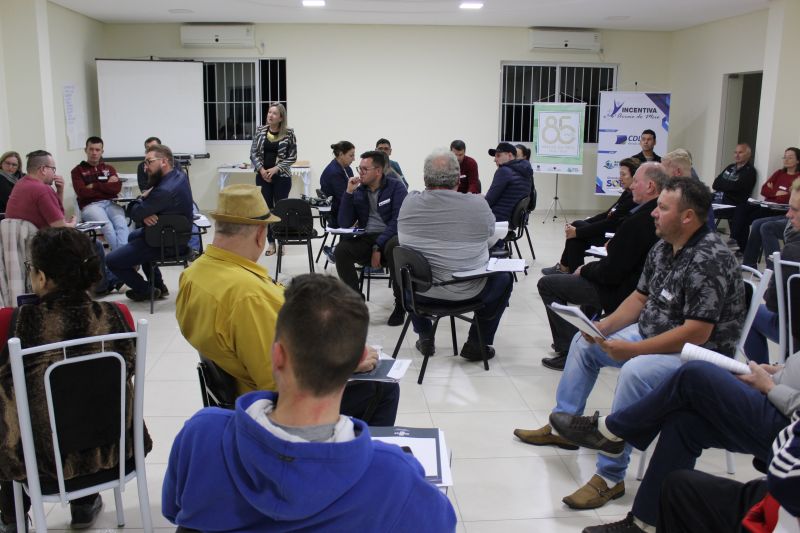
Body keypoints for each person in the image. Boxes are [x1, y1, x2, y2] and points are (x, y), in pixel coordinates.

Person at [514, 176, 745, 513]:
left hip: (699, 355)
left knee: (635, 371)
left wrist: (634, 349)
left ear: (687, 217)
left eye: (663, 208)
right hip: (654, 334)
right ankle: (565, 424)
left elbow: (697, 333)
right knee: (584, 343)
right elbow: (639, 298)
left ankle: (609, 477)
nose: (653, 213)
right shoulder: (663, 247)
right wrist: (602, 327)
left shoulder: (710, 258)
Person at [163, 274, 456, 532]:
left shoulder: (201, 434)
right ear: (358, 361)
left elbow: (175, 512)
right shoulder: (394, 476)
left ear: (277, 355)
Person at [176, 184, 399, 426]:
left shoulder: (193, 275)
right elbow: (280, 384)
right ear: (260, 234)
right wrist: (344, 365)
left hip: (235, 393)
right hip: (267, 409)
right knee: (384, 388)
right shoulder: (250, 296)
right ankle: (350, 449)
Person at [548, 345, 800, 532]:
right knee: (684, 423)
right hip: (778, 395)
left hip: (789, 423)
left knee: (693, 374)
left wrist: (771, 387)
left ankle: (612, 432)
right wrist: (780, 372)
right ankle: (646, 523)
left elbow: (698, 329)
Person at [0, 227, 152, 531]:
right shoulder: (118, 314)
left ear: (41, 277)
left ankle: (11, 517)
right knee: (88, 392)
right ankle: (84, 503)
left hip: (42, 466)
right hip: (116, 454)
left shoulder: (12, 322)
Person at [538, 162, 665, 371]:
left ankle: (569, 350)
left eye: (636, 181)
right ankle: (583, 336)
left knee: (547, 285)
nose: (632, 186)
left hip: (622, 291)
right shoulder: (657, 216)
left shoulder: (641, 220)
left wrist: (585, 269)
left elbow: (611, 273)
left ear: (650, 186)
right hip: (638, 287)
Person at [397, 149, 513, 360]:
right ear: (459, 179)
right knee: (504, 279)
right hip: (468, 293)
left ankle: (425, 336)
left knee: (407, 272)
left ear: (425, 179)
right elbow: (490, 233)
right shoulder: (477, 204)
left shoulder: (409, 202)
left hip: (419, 295)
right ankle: (477, 343)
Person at [657, 412, 800, 533]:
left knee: (689, 390)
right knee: (678, 485)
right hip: (771, 498)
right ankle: (647, 516)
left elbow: (782, 474)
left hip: (779, 509)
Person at [107, 144, 193, 301]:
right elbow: (142, 212)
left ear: (164, 161)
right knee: (133, 236)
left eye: (149, 162)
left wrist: (142, 200)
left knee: (111, 260)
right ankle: (159, 285)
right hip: (174, 235)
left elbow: (134, 212)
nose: (145, 167)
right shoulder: (178, 175)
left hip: (165, 242)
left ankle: (145, 290)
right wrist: (145, 211)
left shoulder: (163, 191)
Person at [335, 150, 407, 326]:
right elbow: (344, 223)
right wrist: (348, 193)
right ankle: (356, 301)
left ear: (378, 171)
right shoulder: (359, 191)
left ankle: (401, 305)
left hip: (390, 237)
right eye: (359, 168)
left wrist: (377, 246)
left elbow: (398, 221)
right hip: (368, 238)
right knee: (341, 250)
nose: (360, 173)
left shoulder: (396, 187)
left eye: (364, 169)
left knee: (395, 248)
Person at [542, 158, 639, 275]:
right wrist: (584, 223)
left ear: (635, 177)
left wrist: (578, 230)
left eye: (623, 175)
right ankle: (573, 276)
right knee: (575, 241)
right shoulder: (627, 193)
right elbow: (606, 214)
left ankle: (564, 268)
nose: (620, 178)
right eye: (620, 174)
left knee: (576, 231)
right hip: (607, 231)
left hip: (612, 238)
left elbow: (610, 223)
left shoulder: (635, 198)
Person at [742, 177, 800, 364]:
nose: (788, 215)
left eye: (795, 209)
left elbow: (774, 304)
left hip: (795, 338)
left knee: (747, 311)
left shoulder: (792, 252)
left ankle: (761, 372)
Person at [249, 102, 297, 256]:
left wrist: (276, 169)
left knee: (281, 210)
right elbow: (253, 153)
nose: (270, 115)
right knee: (266, 210)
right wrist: (262, 171)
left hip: (282, 177)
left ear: (281, 117)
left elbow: (292, 156)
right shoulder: (260, 131)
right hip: (262, 177)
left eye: (274, 113)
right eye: (269, 112)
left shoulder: (289, 133)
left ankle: (282, 241)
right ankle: (271, 242)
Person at [732, 147, 800, 252]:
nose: (786, 160)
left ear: (798, 160)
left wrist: (774, 191)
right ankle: (736, 243)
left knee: (755, 222)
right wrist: (776, 193)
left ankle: (745, 253)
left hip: (780, 210)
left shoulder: (798, 178)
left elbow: (790, 198)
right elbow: (764, 190)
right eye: (784, 157)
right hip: (767, 206)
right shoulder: (779, 173)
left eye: (790, 158)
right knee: (742, 209)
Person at [70, 136, 129, 250]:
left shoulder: (109, 169)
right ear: (85, 150)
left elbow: (116, 189)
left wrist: (94, 185)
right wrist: (106, 188)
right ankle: (122, 256)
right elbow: (82, 193)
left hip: (110, 203)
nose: (94, 153)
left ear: (102, 151)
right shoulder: (77, 171)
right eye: (91, 149)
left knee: (121, 223)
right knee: (107, 226)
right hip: (90, 206)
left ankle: (121, 255)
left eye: (97, 150)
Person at [5, 150, 75, 229]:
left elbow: (57, 215)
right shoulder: (43, 189)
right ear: (43, 169)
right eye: (53, 169)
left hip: (17, 235)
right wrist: (73, 223)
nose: (54, 173)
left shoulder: (20, 183)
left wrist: (60, 191)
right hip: (39, 236)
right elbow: (60, 228)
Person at [485, 142, 532, 223]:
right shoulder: (526, 173)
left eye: (498, 156)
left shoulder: (504, 171)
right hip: (512, 221)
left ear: (509, 156)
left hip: (497, 219)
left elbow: (489, 201)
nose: (495, 160)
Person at [319, 140, 355, 228]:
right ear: (341, 154)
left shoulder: (346, 168)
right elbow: (344, 197)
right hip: (336, 214)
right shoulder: (334, 172)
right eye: (351, 155)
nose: (354, 159)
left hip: (341, 208)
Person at [712, 142, 757, 207]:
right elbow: (715, 184)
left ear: (748, 155)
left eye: (740, 152)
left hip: (732, 204)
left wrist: (723, 183)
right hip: (718, 198)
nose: (737, 155)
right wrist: (730, 184)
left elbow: (736, 187)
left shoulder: (750, 171)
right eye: (735, 152)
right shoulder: (730, 167)